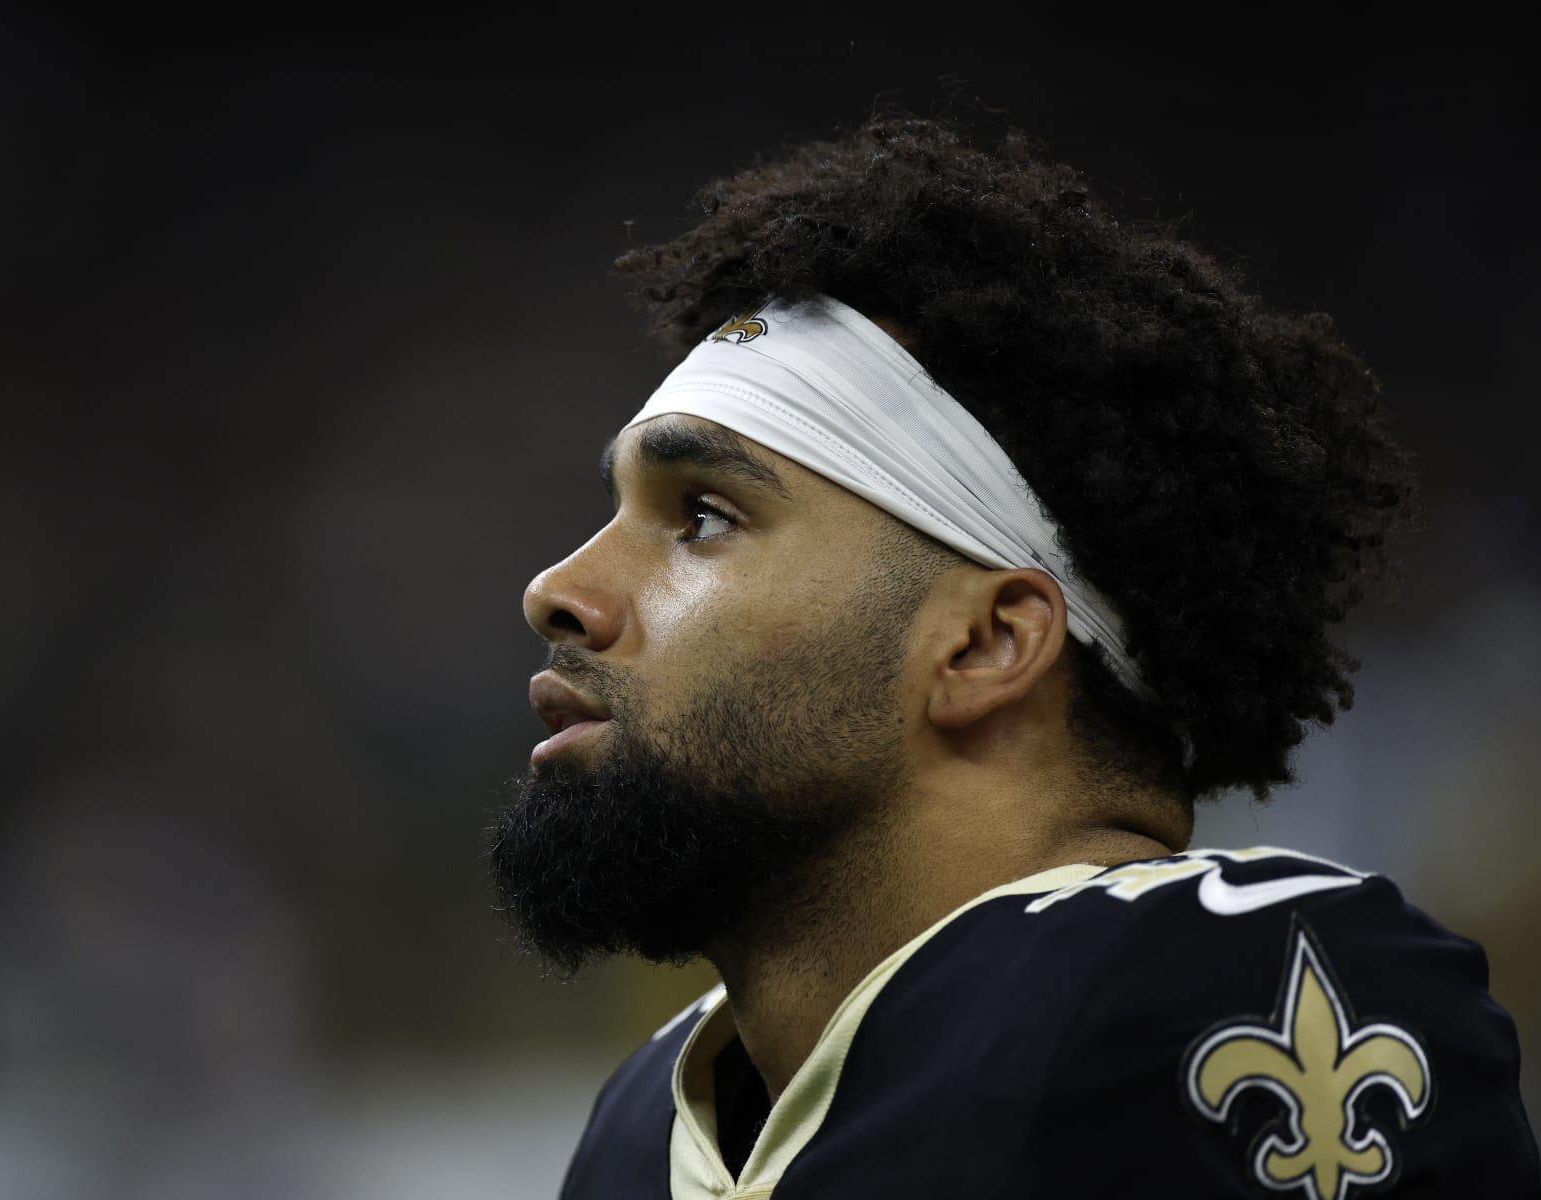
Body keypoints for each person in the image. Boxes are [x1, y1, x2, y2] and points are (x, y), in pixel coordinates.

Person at [487, 113, 1540, 1198]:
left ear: (986, 644)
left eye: (704, 516)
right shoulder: (643, 1123)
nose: (556, 590)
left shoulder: (1215, 975)